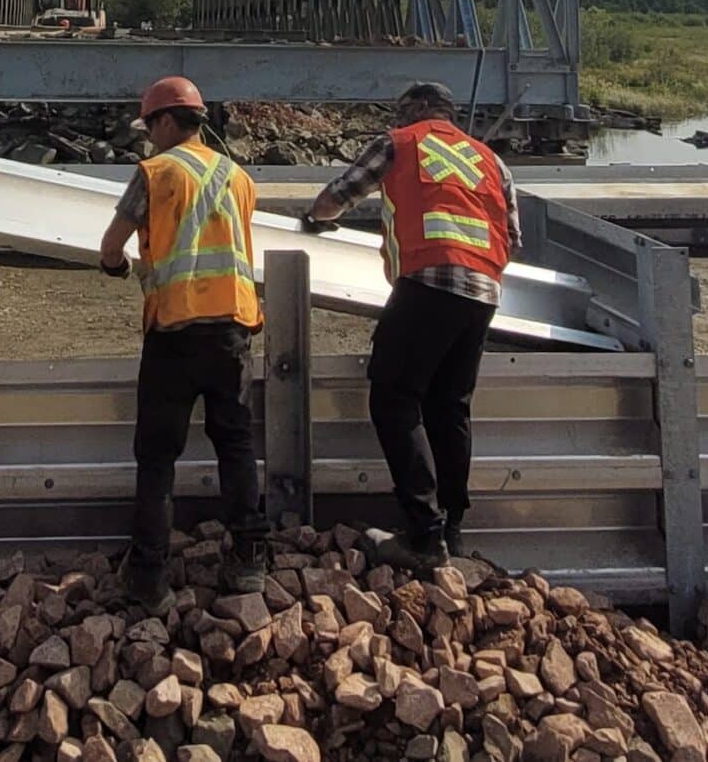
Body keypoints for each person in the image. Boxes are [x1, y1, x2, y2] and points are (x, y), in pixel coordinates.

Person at [301, 82, 518, 569]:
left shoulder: (400, 143)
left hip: (427, 283)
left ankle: (423, 532)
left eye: (403, 113)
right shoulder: (490, 160)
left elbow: (339, 194)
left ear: (419, 109)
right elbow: (513, 236)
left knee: (394, 397)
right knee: (449, 405)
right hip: (483, 292)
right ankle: (453, 526)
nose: (398, 121)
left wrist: (315, 219)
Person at [98, 76, 271, 609]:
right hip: (232, 332)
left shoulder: (155, 172)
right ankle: (249, 561)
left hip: (174, 333)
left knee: (156, 457)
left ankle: (148, 574)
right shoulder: (239, 176)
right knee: (236, 446)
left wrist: (115, 267)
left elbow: (111, 245)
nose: (148, 136)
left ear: (168, 121)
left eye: (150, 125)